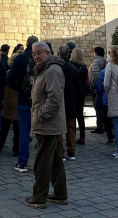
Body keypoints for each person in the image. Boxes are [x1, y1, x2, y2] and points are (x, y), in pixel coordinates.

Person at [25, 42, 67, 209]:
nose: (36, 56)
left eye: (39, 53)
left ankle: (39, 197)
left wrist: (40, 116)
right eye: (34, 53)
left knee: (42, 161)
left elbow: (54, 99)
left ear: (48, 53)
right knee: (55, 160)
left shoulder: (53, 71)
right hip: (48, 123)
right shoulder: (45, 70)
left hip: (48, 124)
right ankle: (60, 194)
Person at [7, 35, 38, 173]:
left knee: (24, 131)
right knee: (42, 131)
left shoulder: (19, 58)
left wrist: (19, 89)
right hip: (39, 98)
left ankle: (22, 163)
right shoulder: (41, 58)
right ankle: (43, 164)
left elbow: (10, 79)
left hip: (24, 97)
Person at [58, 45, 80, 161]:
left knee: (59, 129)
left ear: (58, 53)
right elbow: (78, 87)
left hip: (59, 102)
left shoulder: (56, 68)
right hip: (71, 101)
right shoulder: (73, 69)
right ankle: (71, 151)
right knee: (71, 128)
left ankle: (61, 153)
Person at [0, 51, 22, 156]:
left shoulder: (8, 74)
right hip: (19, 103)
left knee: (4, 127)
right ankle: (16, 149)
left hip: (8, 103)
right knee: (18, 128)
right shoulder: (24, 74)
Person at [70, 47, 89, 145]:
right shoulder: (84, 66)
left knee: (72, 115)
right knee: (80, 115)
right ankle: (82, 136)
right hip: (82, 92)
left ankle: (72, 136)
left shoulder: (71, 65)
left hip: (73, 92)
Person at [89, 46, 106, 133]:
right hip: (103, 87)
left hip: (97, 88)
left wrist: (92, 85)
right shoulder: (104, 60)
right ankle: (103, 125)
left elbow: (95, 75)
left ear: (95, 53)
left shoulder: (96, 61)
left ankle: (100, 126)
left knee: (97, 107)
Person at [96, 68, 115, 145]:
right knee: (117, 121)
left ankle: (110, 138)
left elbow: (100, 86)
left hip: (106, 98)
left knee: (107, 120)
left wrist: (100, 95)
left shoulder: (104, 72)